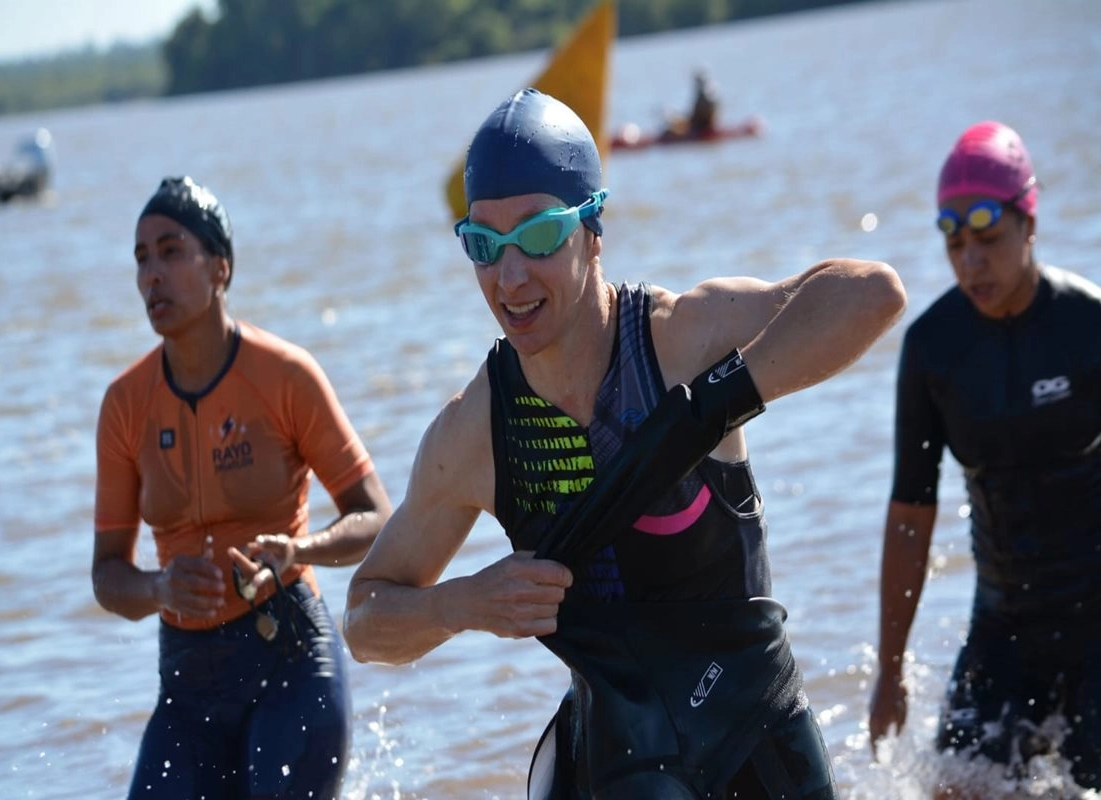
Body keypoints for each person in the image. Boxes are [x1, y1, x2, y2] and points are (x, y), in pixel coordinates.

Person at [343, 88, 906, 798]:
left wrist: (708, 410)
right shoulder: (475, 433)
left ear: (593, 227)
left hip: (755, 737)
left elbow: (871, 294)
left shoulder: (679, 340)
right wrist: (461, 605)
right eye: (484, 245)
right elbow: (364, 619)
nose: (510, 277)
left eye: (539, 235)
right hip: (621, 761)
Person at [92, 176, 391, 800]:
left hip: (289, 658)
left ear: (220, 267)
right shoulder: (125, 405)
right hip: (187, 682)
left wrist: (299, 549)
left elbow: (375, 517)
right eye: (141, 258)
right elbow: (106, 576)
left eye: (171, 251)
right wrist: (157, 586)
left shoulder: (284, 376)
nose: (152, 274)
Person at [868, 121, 1101, 795]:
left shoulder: (1087, 325)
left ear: (1030, 225)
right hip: (1004, 624)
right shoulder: (934, 351)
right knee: (956, 789)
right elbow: (911, 516)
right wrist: (890, 669)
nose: (971, 263)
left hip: (1097, 613)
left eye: (989, 240)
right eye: (956, 244)